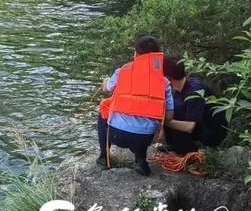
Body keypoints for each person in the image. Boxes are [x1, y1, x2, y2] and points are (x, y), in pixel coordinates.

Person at [97, 36, 174, 176]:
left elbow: (107, 88)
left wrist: (105, 81)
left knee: (103, 111)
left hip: (117, 135)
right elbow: (169, 116)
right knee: (146, 124)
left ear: (136, 53)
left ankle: (103, 158)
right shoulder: (164, 82)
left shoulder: (121, 72)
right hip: (144, 139)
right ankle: (140, 161)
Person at [162, 57, 227, 155]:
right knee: (170, 111)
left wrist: (163, 122)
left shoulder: (194, 92)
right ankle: (173, 146)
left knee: (168, 117)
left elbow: (189, 127)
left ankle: (186, 151)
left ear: (168, 78)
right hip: (200, 124)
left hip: (210, 133)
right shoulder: (184, 85)